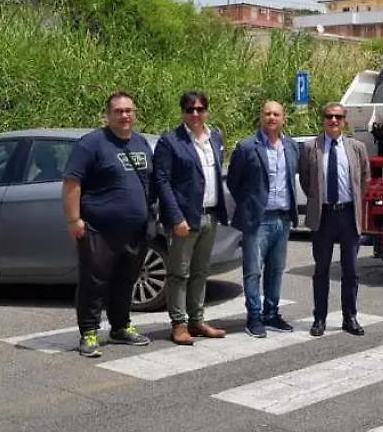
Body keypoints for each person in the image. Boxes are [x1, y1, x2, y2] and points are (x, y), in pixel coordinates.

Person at [62, 91, 154, 358]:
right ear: (108, 115)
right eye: (118, 111)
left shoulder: (140, 143)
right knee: (94, 282)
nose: (124, 115)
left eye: (128, 111)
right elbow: (71, 182)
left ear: (134, 113)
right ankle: (89, 332)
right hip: (98, 229)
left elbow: (148, 182)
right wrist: (73, 219)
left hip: (135, 230)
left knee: (126, 281)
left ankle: (120, 327)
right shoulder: (91, 144)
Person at [154, 91, 229, 345]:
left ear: (206, 111)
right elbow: (162, 182)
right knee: (179, 274)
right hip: (184, 220)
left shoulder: (215, 137)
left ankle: (197, 321)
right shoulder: (170, 141)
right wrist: (175, 218)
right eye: (189, 109)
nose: (195, 114)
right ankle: (179, 324)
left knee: (200, 272)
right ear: (182, 112)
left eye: (199, 109)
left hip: (210, 216)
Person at [227, 101, 299, 338]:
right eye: (267, 113)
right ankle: (254, 317)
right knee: (253, 271)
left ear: (283, 118)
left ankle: (272, 313)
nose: (271, 118)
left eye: (276, 114)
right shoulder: (247, 147)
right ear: (261, 117)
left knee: (276, 270)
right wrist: (250, 206)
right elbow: (234, 182)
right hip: (258, 220)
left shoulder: (290, 146)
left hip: (282, 218)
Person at [298, 102, 370, 337]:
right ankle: (319, 318)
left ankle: (350, 317)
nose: (334, 120)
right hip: (324, 216)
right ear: (323, 120)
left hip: (349, 215)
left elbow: (365, 178)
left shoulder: (356, 147)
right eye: (329, 116)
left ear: (344, 120)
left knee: (351, 270)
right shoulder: (311, 147)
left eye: (338, 116)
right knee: (321, 270)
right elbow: (306, 181)